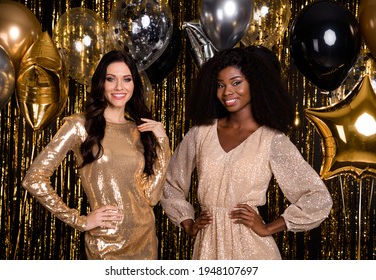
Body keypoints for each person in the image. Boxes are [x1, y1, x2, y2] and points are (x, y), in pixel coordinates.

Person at [160, 46, 333, 260]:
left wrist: (268, 228)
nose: (227, 92)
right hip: (207, 247)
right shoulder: (200, 133)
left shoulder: (271, 139)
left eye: (236, 82)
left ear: (254, 83)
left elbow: (317, 197)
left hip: (252, 249)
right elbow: (170, 183)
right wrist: (187, 222)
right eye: (220, 85)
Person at [22, 50, 170, 260]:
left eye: (126, 79)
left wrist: (163, 142)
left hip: (145, 240)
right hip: (105, 244)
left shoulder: (139, 130)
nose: (119, 87)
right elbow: (34, 179)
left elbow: (151, 197)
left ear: (134, 84)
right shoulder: (80, 125)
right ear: (101, 83)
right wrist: (80, 221)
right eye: (111, 79)